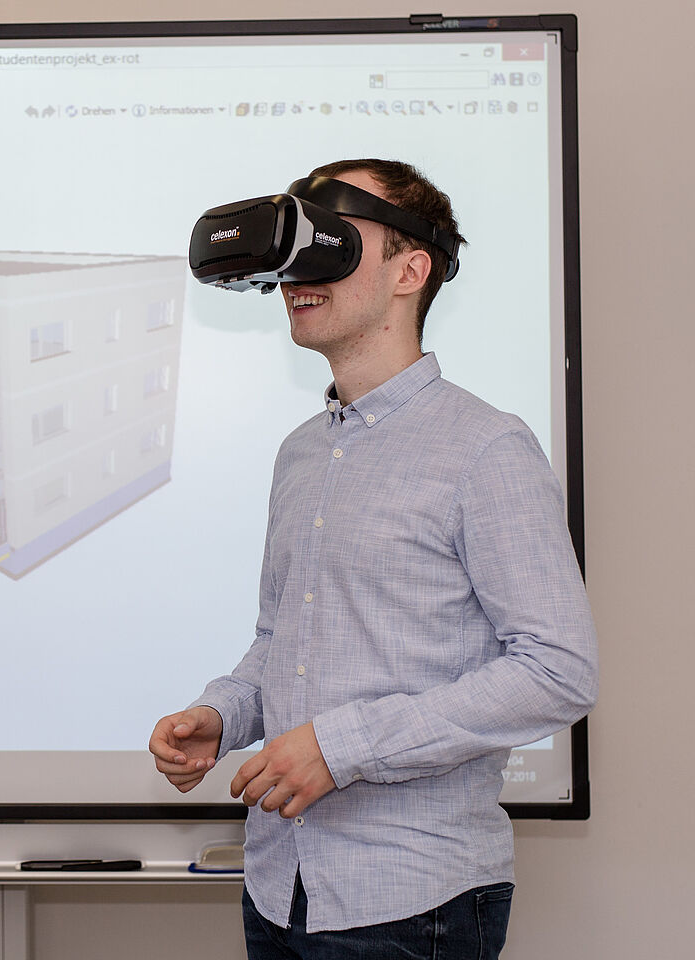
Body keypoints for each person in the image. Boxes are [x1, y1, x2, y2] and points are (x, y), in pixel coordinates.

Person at [148, 159, 597, 958]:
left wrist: (343, 746)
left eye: (331, 239)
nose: (295, 272)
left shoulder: (486, 447)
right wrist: (222, 713)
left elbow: (558, 669)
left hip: (410, 902)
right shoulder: (301, 455)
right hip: (278, 888)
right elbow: (279, 639)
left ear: (409, 270)